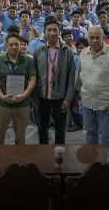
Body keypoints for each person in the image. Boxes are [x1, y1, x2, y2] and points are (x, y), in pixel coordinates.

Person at [76, 27, 109, 145]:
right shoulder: (83, 53)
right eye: (91, 38)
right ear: (88, 38)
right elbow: (79, 76)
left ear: (103, 38)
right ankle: (93, 161)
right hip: (87, 101)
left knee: (107, 136)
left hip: (105, 103)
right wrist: (76, 95)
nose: (95, 41)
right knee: (90, 133)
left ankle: (108, 162)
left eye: (98, 38)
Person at [33, 17, 76, 145]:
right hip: (42, 97)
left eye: (55, 30)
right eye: (49, 30)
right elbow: (34, 75)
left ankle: (59, 153)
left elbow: (71, 76)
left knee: (60, 129)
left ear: (59, 32)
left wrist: (68, 98)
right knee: (42, 128)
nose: (52, 33)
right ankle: (44, 153)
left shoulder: (67, 51)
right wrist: (35, 97)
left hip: (60, 98)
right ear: (44, 32)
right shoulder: (38, 51)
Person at [0, 33, 37, 145]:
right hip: (4, 103)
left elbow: (33, 79)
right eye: (11, 44)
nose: (14, 47)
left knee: (20, 136)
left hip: (22, 104)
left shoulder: (28, 60)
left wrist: (24, 95)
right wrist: (1, 96)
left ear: (20, 45)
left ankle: (19, 160)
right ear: (6, 45)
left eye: (16, 44)